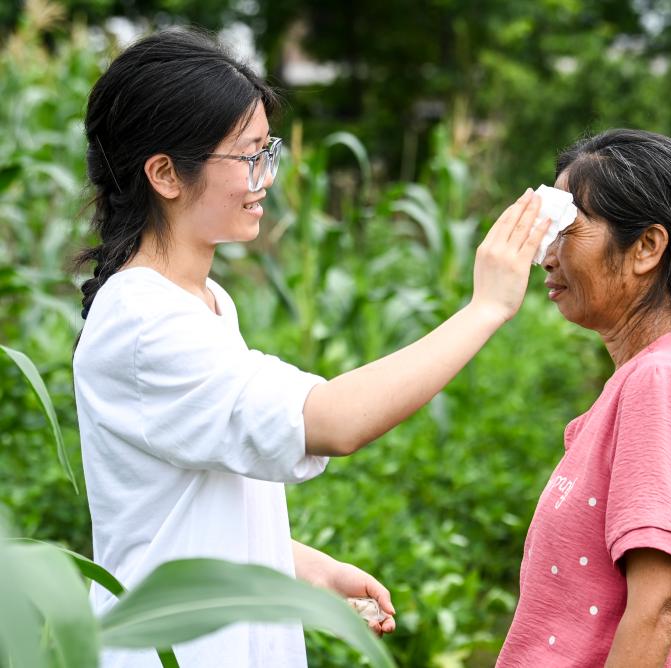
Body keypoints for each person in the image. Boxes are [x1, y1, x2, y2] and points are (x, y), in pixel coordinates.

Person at [72, 28, 548, 667]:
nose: (266, 176)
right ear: (164, 173)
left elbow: (183, 507)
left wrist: (301, 566)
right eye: (248, 156)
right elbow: (331, 421)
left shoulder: (204, 302)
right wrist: (484, 308)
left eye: (266, 151)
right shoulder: (143, 322)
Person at [496, 129, 671, 668]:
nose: (547, 257)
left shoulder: (662, 382)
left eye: (566, 230)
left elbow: (660, 605)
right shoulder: (656, 378)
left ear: (647, 247)